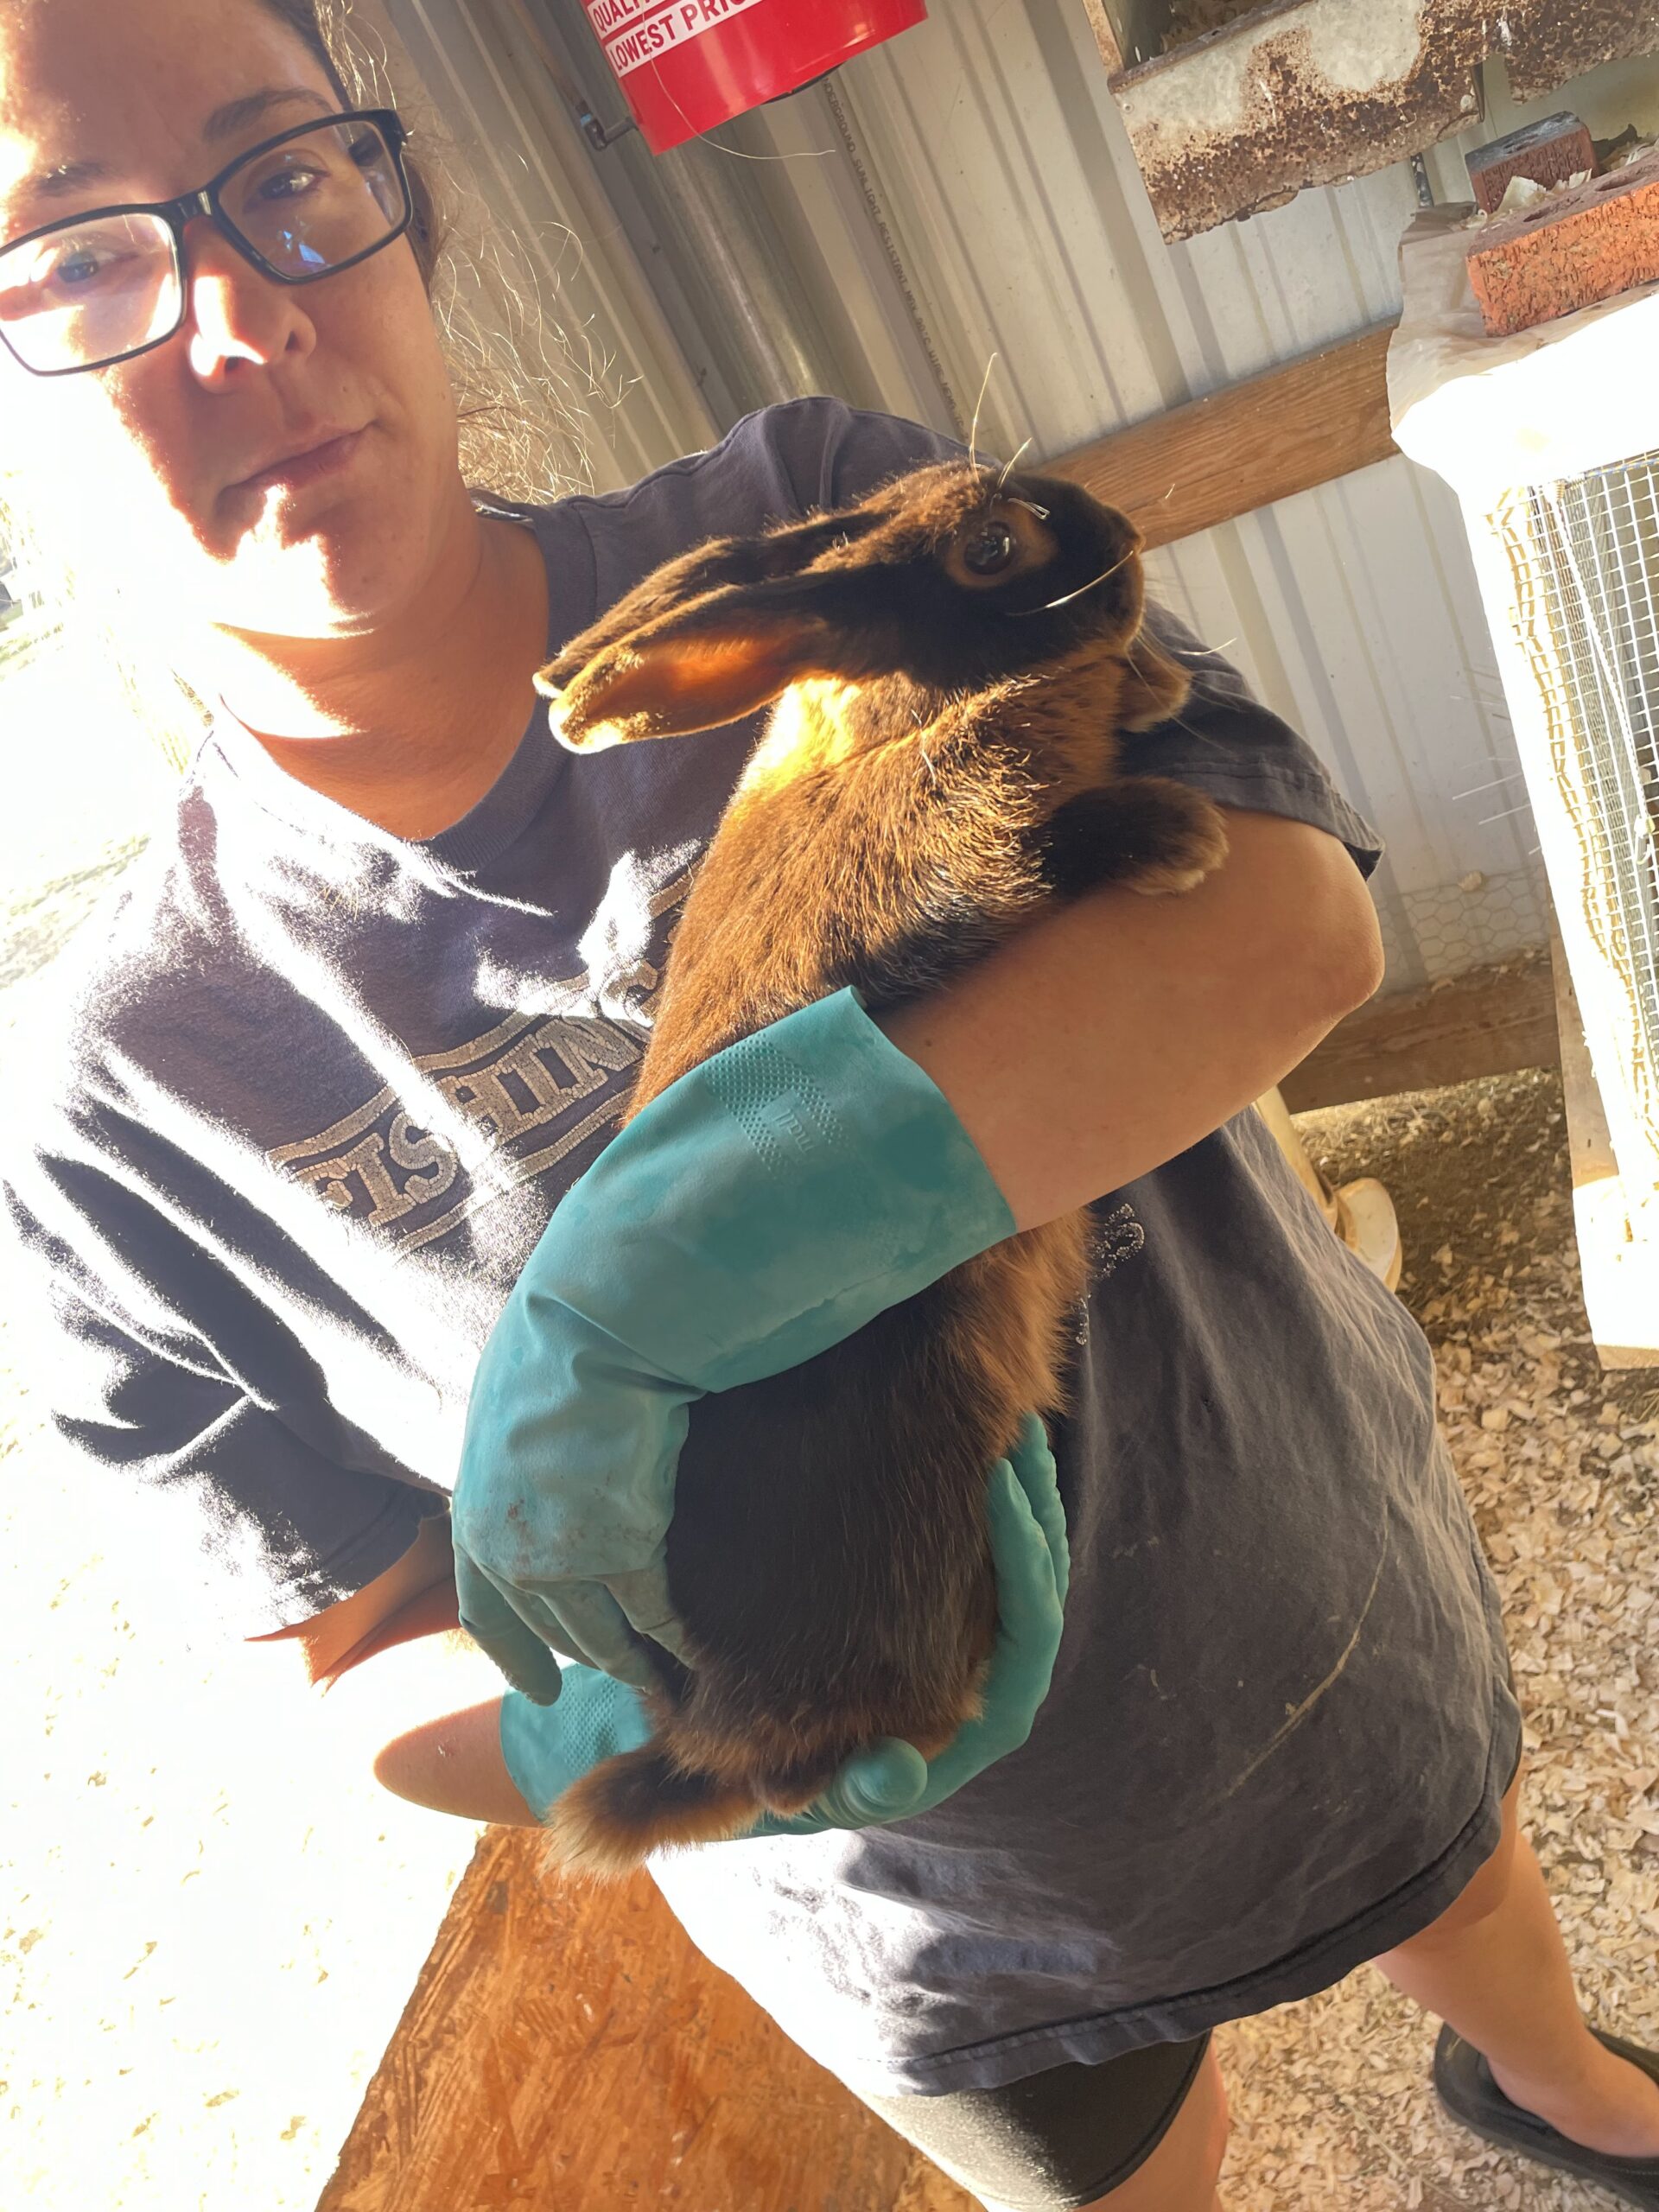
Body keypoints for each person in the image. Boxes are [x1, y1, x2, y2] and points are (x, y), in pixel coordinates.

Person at [3, 4, 1657, 2208]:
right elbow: (348, 1639)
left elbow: (1284, 926)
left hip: (1286, 1565)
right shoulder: (120, 1101)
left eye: (290, 176)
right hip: (921, 1900)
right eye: (77, 258)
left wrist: (654, 1290)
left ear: (409, 210)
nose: (241, 314)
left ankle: (1554, 2080)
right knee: (1125, 2169)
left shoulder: (828, 532)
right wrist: (614, 1728)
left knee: (1462, 1874)